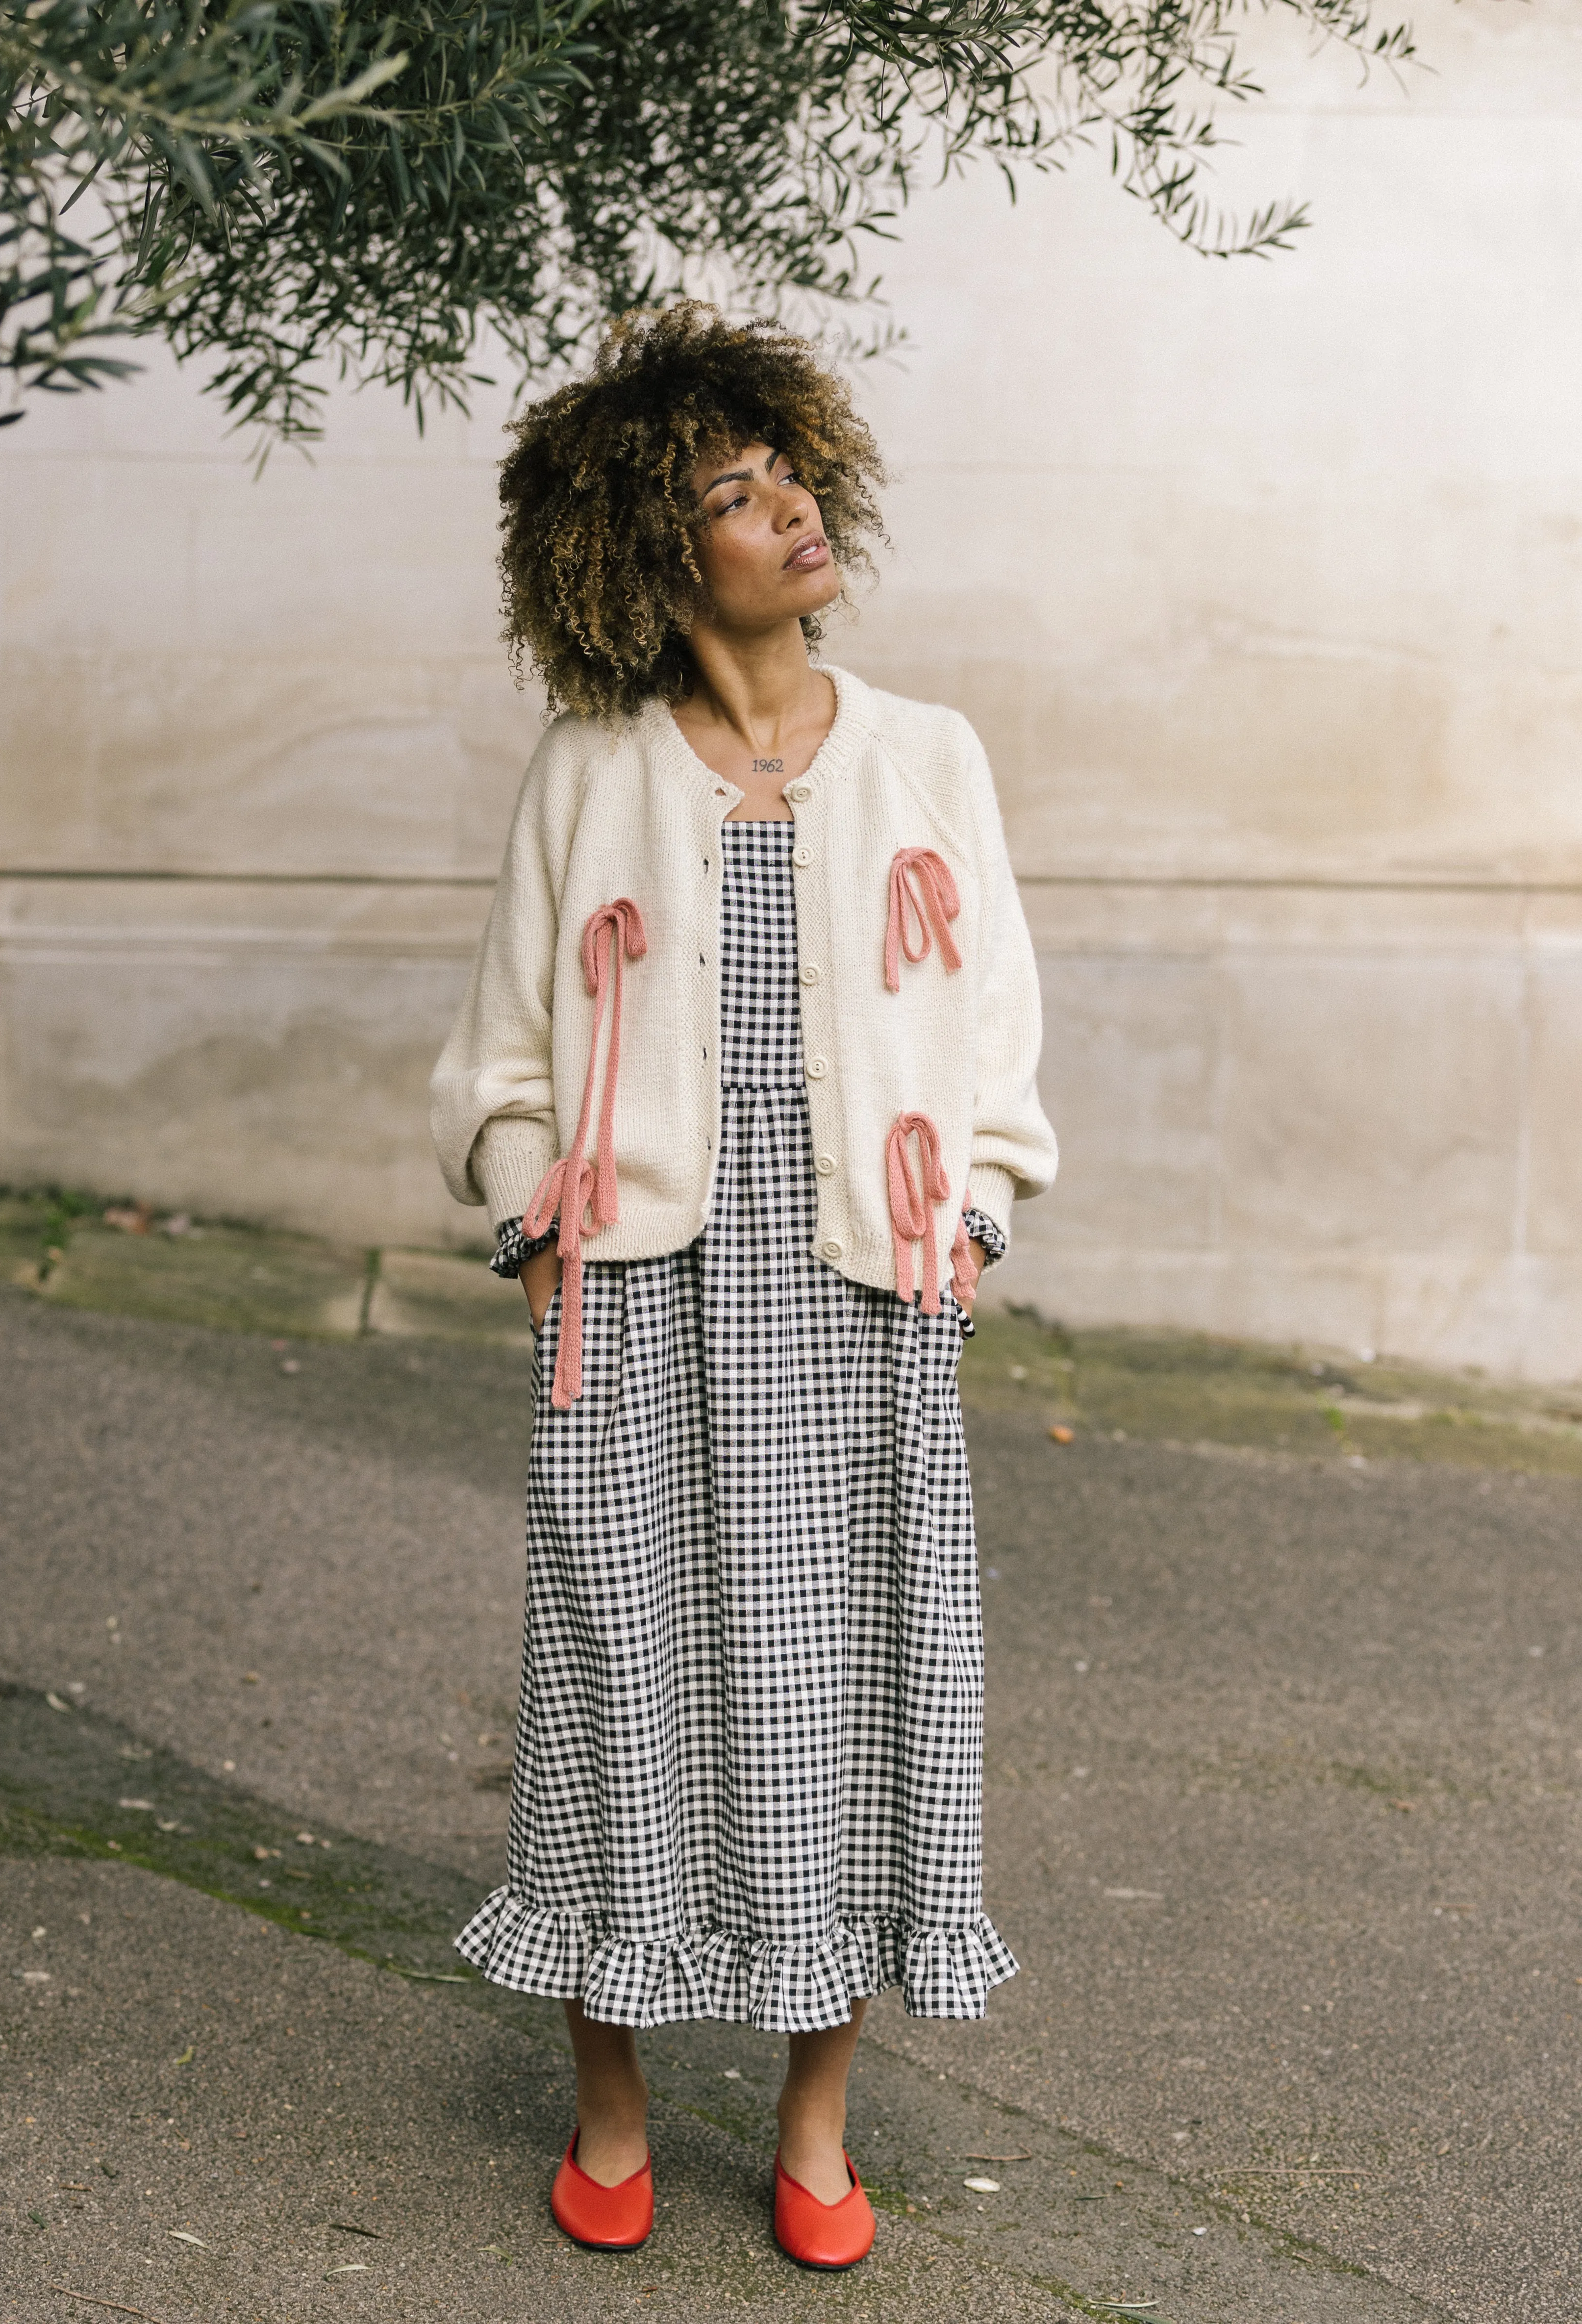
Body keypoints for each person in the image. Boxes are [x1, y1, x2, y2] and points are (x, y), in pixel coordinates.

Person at [430, 302, 1056, 2271]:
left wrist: (981, 1215)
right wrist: (536, 1222)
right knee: (627, 1667)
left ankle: (813, 2118)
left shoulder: (931, 754)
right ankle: (610, 2099)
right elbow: (503, 1065)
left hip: (862, 1283)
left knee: (856, 1686)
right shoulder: (590, 768)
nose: (790, 512)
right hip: (646, 1293)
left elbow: (999, 1033)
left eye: (794, 476)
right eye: (733, 491)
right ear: (646, 546)